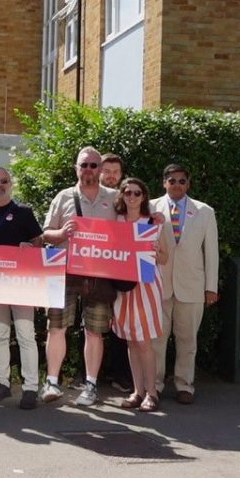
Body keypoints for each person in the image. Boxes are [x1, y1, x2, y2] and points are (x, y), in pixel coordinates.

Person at [39, 147, 118, 407]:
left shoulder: (115, 198)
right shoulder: (63, 197)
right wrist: (61, 232)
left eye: (94, 166)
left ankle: (91, 385)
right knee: (57, 326)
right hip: (65, 271)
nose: (89, 170)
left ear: (101, 169)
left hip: (100, 274)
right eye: (84, 165)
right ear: (76, 168)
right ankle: (52, 382)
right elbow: (45, 234)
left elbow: (130, 230)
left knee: (95, 331)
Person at [0, 168, 46, 408]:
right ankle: (3, 383)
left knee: (26, 335)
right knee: (0, 334)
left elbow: (38, 242)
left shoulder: (23, 212)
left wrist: (31, 248)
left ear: (10, 183)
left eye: (4, 181)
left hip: (22, 284)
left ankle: (30, 388)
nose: (0, 185)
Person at [151, 163, 219, 405]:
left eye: (181, 181)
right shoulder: (150, 208)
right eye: (172, 180)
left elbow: (211, 252)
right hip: (158, 285)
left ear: (188, 184)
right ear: (164, 183)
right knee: (156, 338)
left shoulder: (204, 211)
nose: (176, 185)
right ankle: (154, 385)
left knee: (187, 339)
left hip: (191, 285)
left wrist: (211, 286)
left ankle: (184, 385)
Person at [111, 177, 172, 413]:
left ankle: (152, 392)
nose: (132, 197)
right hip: (123, 286)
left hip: (146, 285)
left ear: (144, 196)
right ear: (122, 195)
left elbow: (165, 257)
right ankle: (137, 391)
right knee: (130, 340)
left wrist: (157, 252)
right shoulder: (115, 221)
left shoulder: (154, 223)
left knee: (145, 341)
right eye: (127, 192)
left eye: (137, 193)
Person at [98, 151, 131, 394]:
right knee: (92, 325)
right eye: (106, 171)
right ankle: (94, 375)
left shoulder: (128, 198)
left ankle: (120, 374)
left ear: (121, 174)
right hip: (94, 269)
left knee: (121, 322)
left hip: (120, 269)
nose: (110, 176)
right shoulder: (89, 197)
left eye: (115, 172)